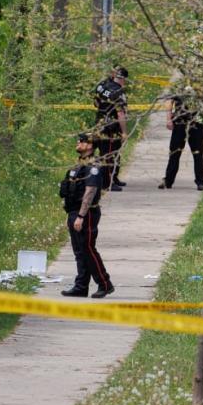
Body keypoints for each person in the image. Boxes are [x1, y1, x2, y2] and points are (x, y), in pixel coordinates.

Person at [59, 132, 115, 298]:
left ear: (90, 146)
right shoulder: (79, 164)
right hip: (74, 211)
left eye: (82, 141)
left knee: (88, 249)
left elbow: (90, 192)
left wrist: (81, 216)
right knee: (79, 251)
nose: (78, 142)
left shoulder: (93, 166)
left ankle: (105, 284)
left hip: (87, 213)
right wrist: (71, 213)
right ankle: (81, 286)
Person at [157, 92, 203, 191]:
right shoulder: (179, 86)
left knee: (197, 153)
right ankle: (168, 180)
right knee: (175, 152)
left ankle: (200, 182)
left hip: (196, 123)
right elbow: (169, 101)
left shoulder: (201, 85)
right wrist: (168, 119)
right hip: (180, 122)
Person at [93, 66, 129, 191]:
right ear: (123, 79)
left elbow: (96, 102)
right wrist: (124, 132)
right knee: (109, 154)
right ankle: (108, 183)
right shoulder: (118, 92)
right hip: (111, 128)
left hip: (100, 123)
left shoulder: (102, 85)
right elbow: (120, 113)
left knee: (113, 153)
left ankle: (114, 177)